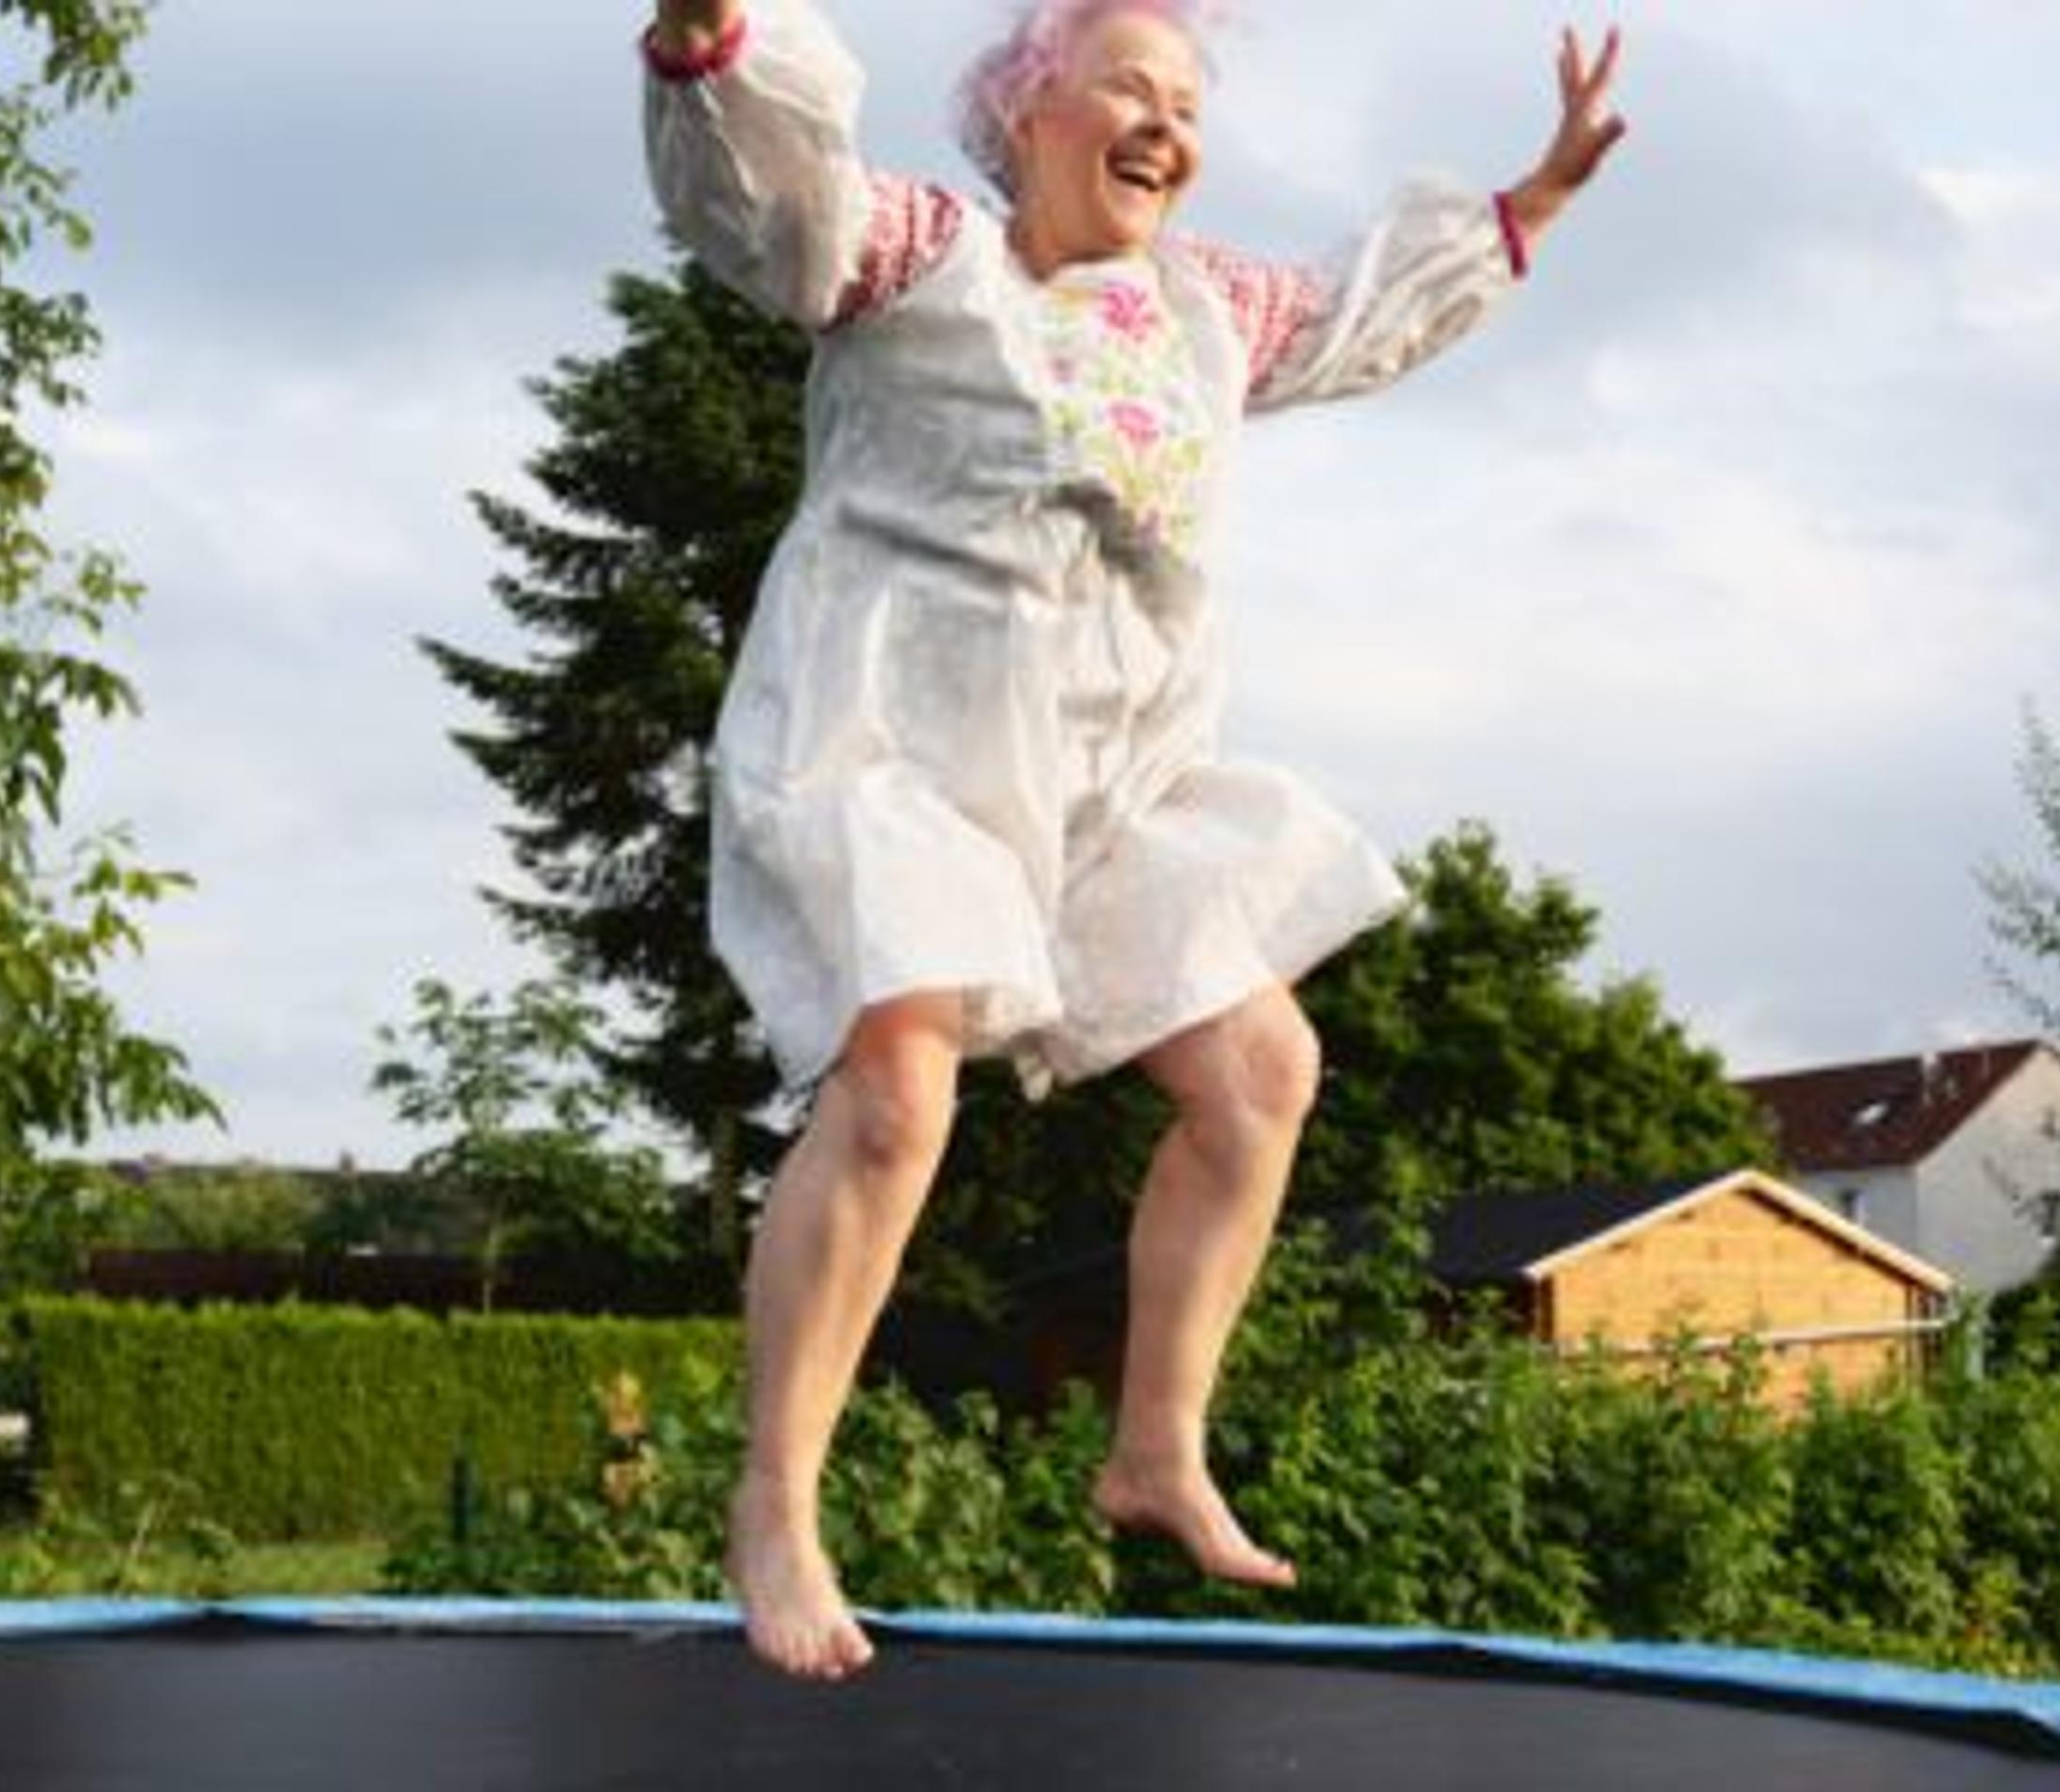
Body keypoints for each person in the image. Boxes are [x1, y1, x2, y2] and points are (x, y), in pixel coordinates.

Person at [638, 0, 1625, 1680]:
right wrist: (707, 37)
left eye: (1186, 103)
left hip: (1105, 787)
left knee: (1262, 1075)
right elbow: (762, 199)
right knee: (897, 1088)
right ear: (1028, 109)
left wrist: (1526, 204)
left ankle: (1155, 1445)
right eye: (1128, 91)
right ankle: (778, 1503)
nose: (1165, 126)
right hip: (897, 746)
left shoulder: (1203, 310)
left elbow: (1352, 317)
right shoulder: (914, 253)